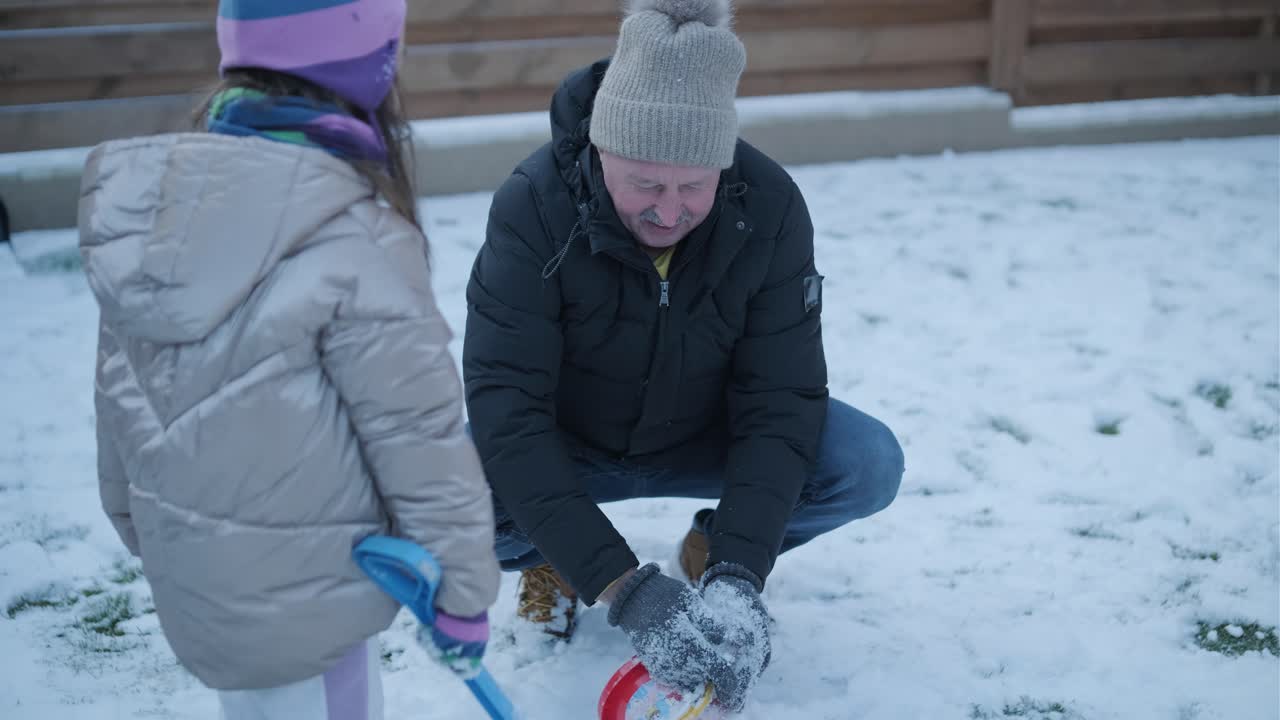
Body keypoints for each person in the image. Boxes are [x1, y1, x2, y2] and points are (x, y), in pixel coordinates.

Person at [463, 0, 906, 710]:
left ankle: (711, 550)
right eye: (645, 184)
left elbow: (780, 403)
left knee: (866, 463)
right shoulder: (533, 207)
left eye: (693, 186)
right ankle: (559, 557)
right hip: (565, 442)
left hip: (704, 433)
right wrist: (623, 585)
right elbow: (506, 413)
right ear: (603, 150)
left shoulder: (770, 207)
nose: (668, 212)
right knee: (425, 503)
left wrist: (738, 572)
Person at [77, 1, 500, 717]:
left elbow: (120, 404)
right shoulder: (354, 235)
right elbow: (419, 439)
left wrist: (161, 542)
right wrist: (463, 596)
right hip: (318, 598)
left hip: (206, 588)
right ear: (374, 66)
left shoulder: (159, 216)